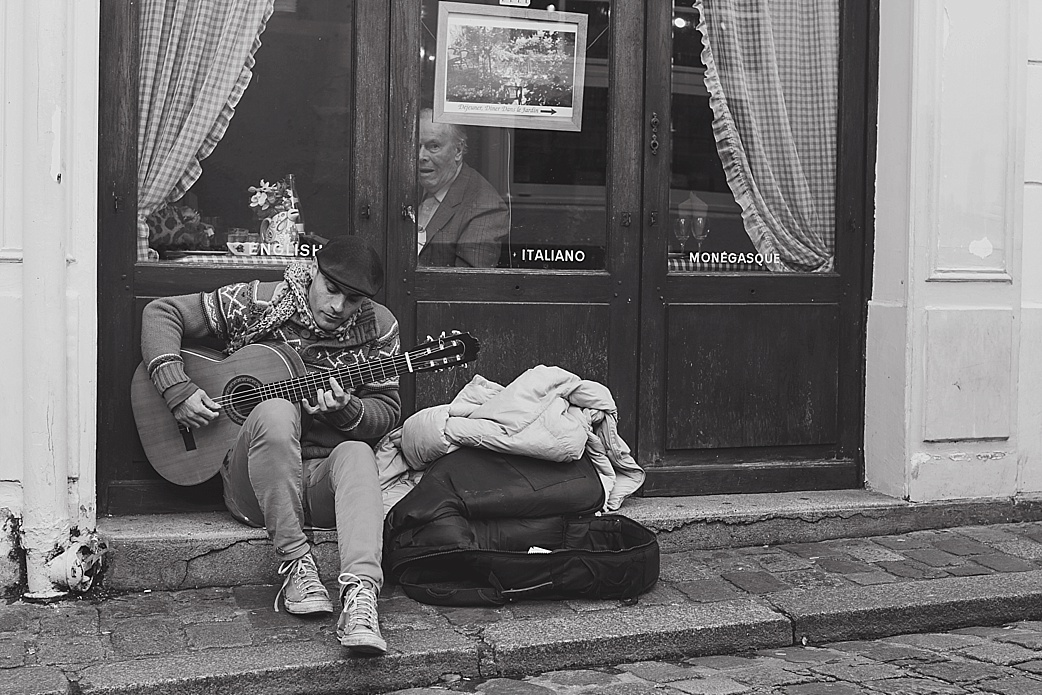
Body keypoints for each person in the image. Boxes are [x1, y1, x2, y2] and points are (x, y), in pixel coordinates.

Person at [140, 236, 398, 656]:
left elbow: (386, 410)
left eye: (352, 301)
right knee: (277, 410)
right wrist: (177, 388)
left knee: (357, 453)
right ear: (313, 271)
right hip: (252, 486)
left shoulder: (379, 328)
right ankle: (297, 564)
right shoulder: (259, 302)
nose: (337, 307)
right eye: (331, 290)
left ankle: (361, 596)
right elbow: (161, 312)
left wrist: (346, 411)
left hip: (315, 484)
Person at [417, 108, 509, 267]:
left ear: (458, 151)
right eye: (416, 145)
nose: (421, 156)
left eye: (434, 146)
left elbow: (466, 286)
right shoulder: (406, 185)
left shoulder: (486, 208)